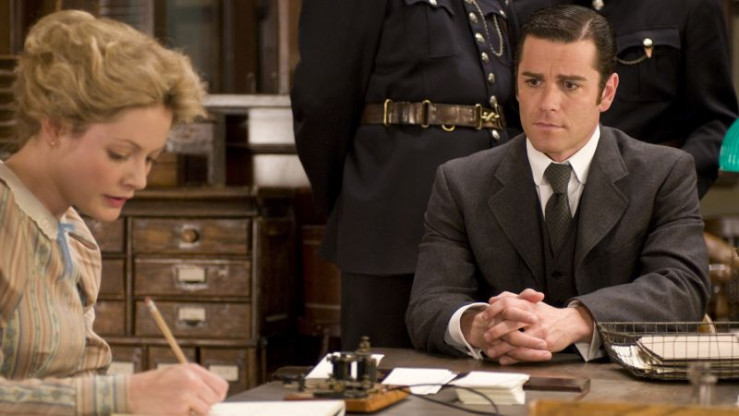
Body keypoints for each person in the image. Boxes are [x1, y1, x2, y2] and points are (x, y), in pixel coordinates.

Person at [405, 5, 710, 364]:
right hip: (500, 384)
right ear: (516, 85)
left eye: (569, 85)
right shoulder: (460, 181)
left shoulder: (665, 174)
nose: (547, 103)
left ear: (607, 92)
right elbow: (428, 305)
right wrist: (483, 326)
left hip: (620, 386)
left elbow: (682, 289)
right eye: (533, 82)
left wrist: (577, 320)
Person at [0, 10, 228, 416]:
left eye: (151, 158)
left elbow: (81, 385)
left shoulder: (76, 238)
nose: (139, 179)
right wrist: (125, 395)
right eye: (120, 154)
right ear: (54, 127)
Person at [291, 0, 519, 349]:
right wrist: (357, 195)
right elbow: (321, 98)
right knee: (385, 371)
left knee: (487, 368)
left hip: (486, 220)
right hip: (393, 218)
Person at [511, 0, 739, 198]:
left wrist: (670, 190)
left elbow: (715, 122)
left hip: (648, 192)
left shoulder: (690, 5)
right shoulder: (526, 9)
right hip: (546, 195)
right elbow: (513, 120)